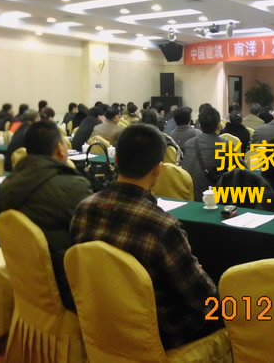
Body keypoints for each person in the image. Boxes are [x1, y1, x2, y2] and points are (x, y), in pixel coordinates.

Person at [71, 124, 218, 349]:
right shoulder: (161, 226)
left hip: (101, 323)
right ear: (158, 169)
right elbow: (201, 296)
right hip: (159, 335)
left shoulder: (83, 209)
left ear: (115, 160)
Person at [0, 121, 92, 311]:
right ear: (60, 148)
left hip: (26, 276)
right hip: (65, 287)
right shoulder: (72, 187)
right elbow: (93, 235)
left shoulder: (9, 182)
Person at [182, 107, 228, 201]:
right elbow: (241, 171)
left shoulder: (187, 144)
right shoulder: (226, 145)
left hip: (188, 197)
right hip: (212, 200)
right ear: (219, 125)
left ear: (200, 125)